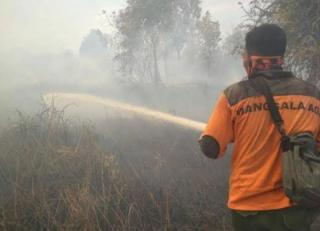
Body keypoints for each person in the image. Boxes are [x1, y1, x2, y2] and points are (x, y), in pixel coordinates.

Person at [199, 24, 320, 231]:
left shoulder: (234, 96)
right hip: (297, 208)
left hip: (248, 210)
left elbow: (211, 148)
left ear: (250, 58)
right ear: (281, 55)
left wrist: (211, 135)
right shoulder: (312, 96)